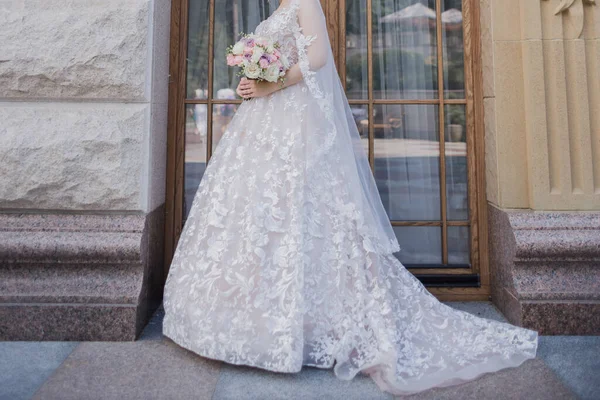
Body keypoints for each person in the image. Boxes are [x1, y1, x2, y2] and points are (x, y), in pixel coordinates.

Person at [162, 0, 538, 395]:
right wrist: (250, 80)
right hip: (265, 119)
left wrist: (269, 83)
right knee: (260, 215)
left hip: (293, 119)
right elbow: (278, 61)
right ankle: (255, 318)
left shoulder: (306, 2)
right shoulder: (280, 7)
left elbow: (319, 57)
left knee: (300, 211)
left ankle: (309, 322)